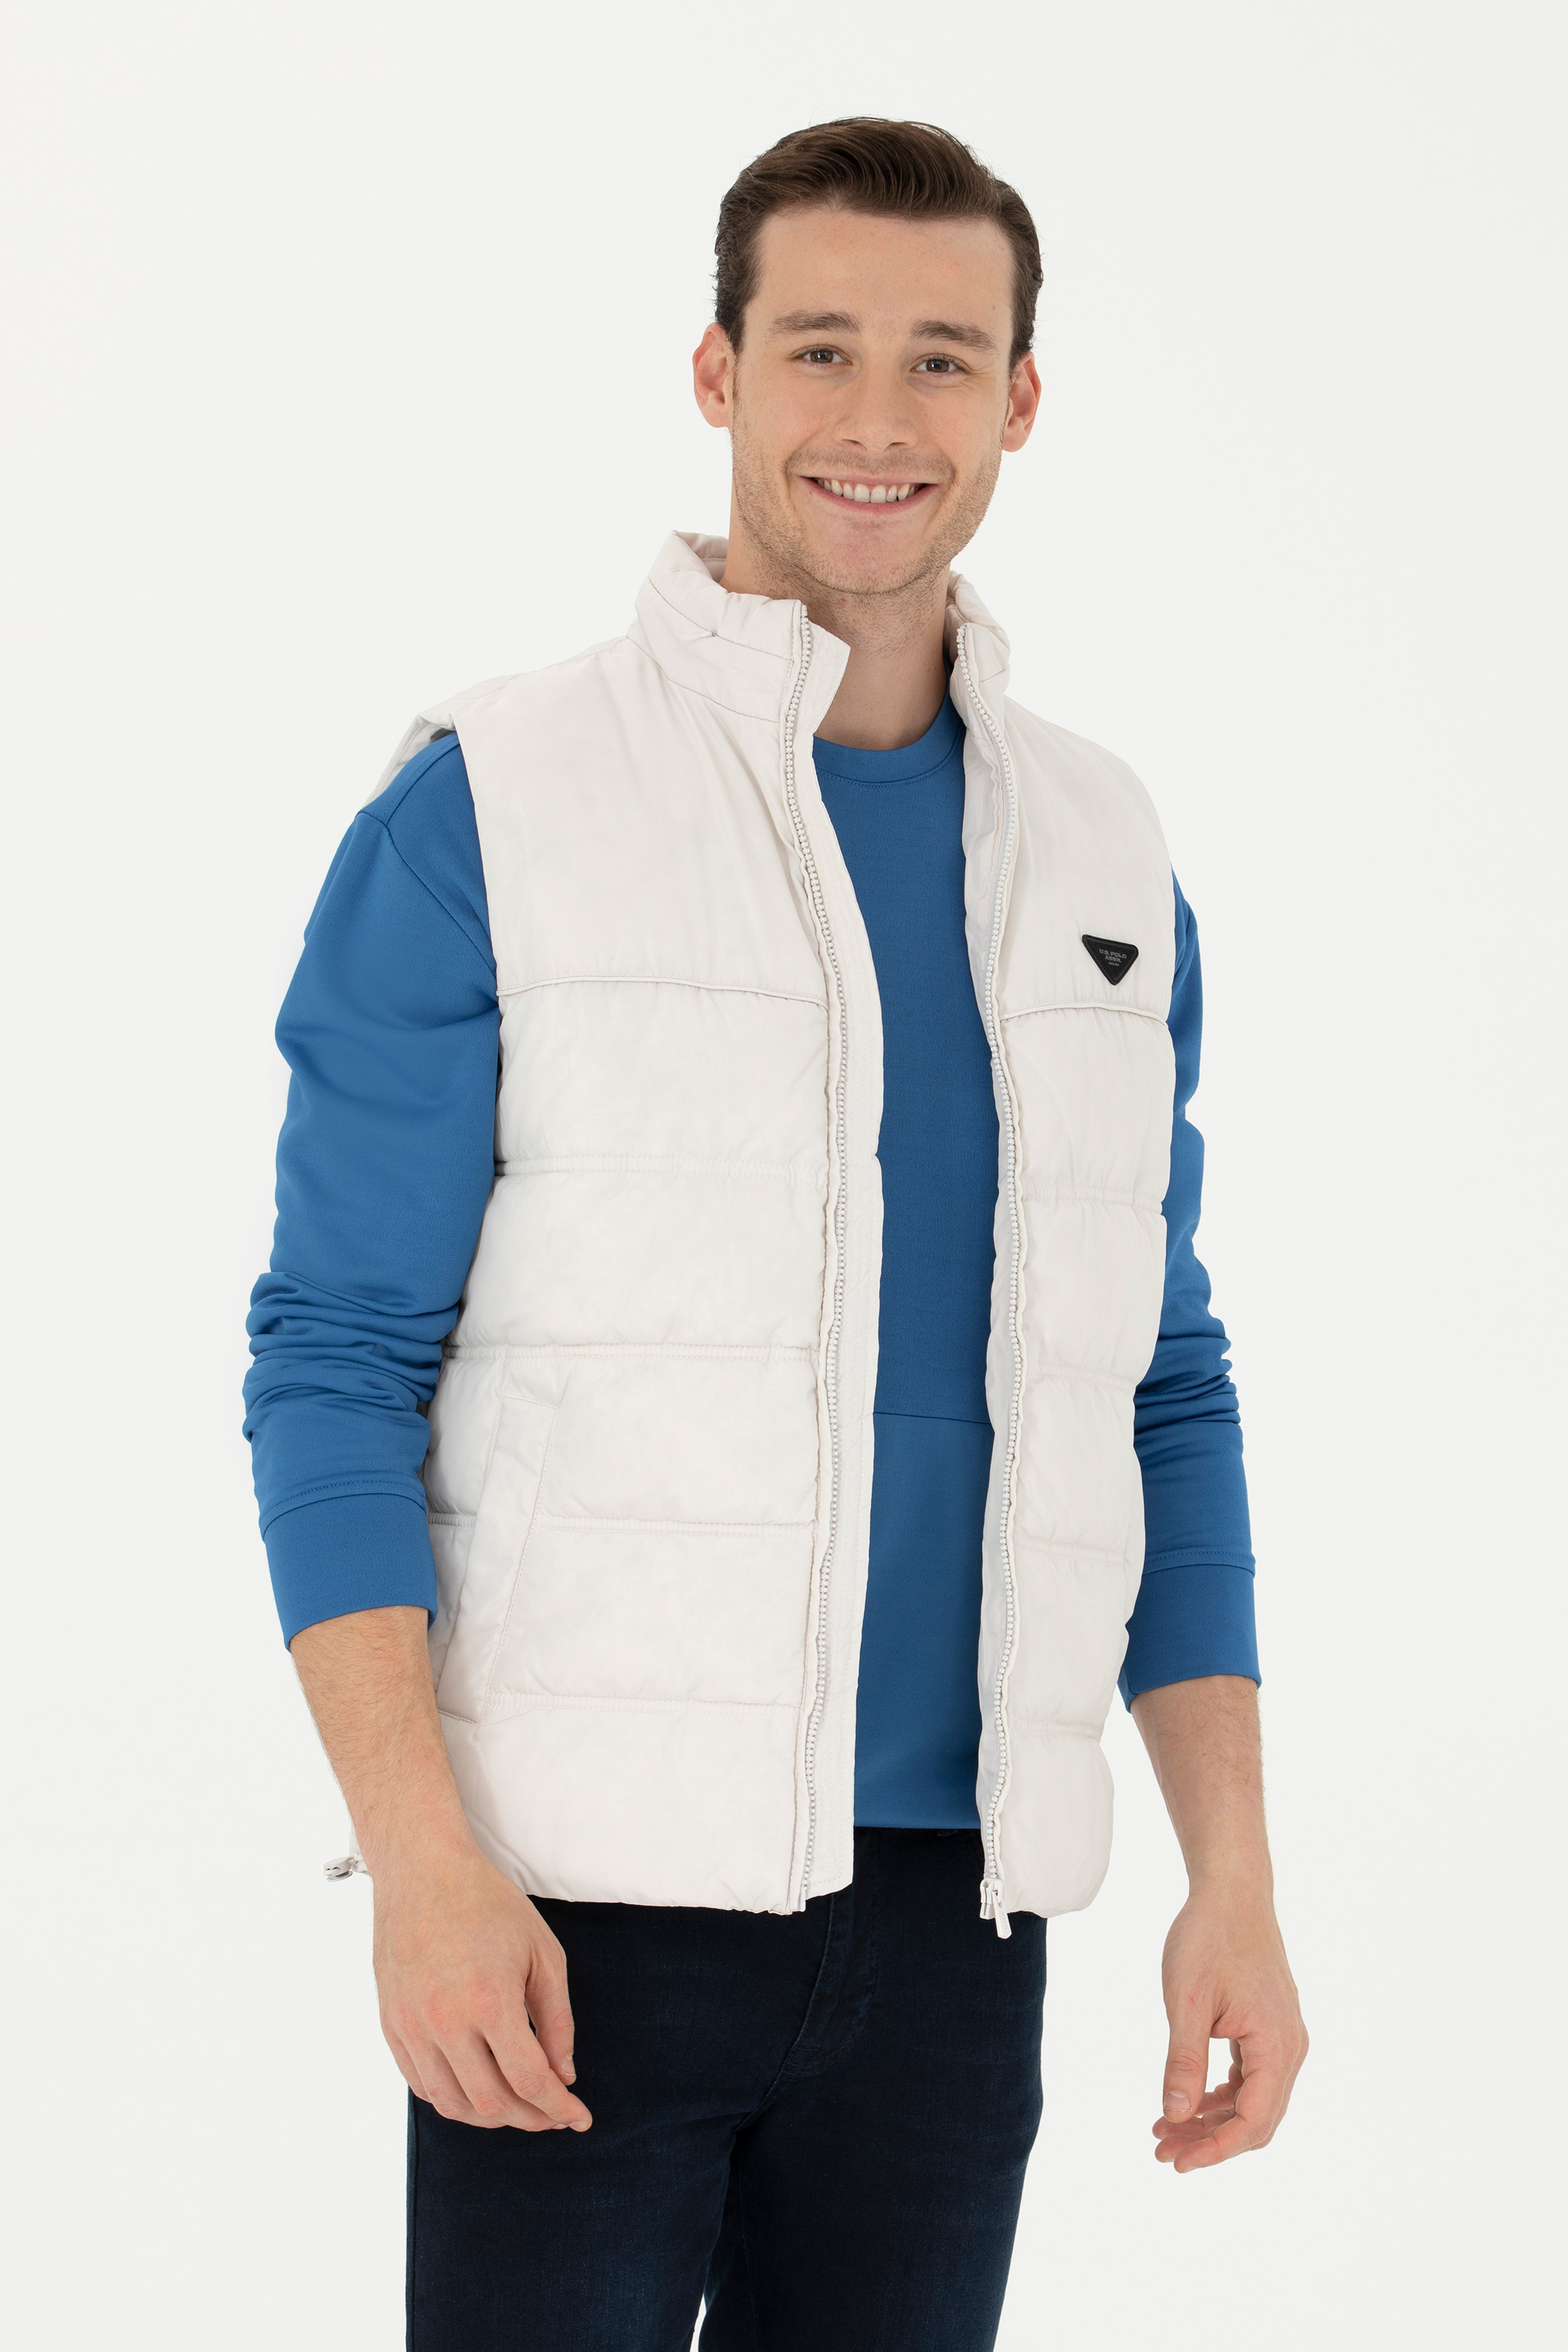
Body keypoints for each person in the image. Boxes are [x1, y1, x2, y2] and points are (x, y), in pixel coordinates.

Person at [245, 117, 1307, 2352]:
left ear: (1021, 397)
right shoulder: (494, 803)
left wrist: (1232, 1871)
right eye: (819, 347)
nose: (877, 417)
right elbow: (335, 1358)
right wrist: (421, 1861)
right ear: (717, 371)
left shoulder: (1098, 851)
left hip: (956, 1923)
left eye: (942, 358)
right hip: (572, 1916)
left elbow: (1159, 1382)